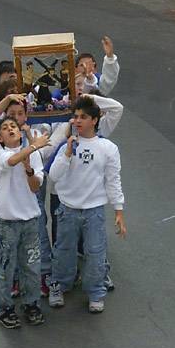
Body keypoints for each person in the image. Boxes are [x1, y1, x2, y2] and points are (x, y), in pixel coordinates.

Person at [48, 96, 127, 314]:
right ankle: (60, 285)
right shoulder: (67, 146)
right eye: (75, 117)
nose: (78, 121)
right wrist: (66, 154)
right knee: (64, 249)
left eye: (83, 117)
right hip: (67, 209)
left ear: (94, 120)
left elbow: (113, 180)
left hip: (94, 211)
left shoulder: (108, 148)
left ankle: (95, 292)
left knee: (95, 251)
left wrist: (118, 210)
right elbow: (53, 175)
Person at [0, 116, 49, 328]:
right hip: (8, 222)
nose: (10, 129)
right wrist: (34, 145)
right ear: (0, 137)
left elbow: (35, 186)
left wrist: (29, 169)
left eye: (13, 126)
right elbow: (11, 161)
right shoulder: (0, 155)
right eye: (6, 128)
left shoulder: (32, 156)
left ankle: (31, 304)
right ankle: (5, 309)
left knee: (31, 266)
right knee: (6, 267)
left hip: (30, 221)